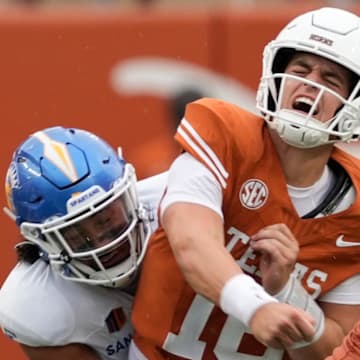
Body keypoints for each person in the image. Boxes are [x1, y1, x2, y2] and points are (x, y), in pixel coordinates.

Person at [129, 7, 360, 360]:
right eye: (299, 70)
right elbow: (191, 242)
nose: (309, 83)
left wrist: (287, 291)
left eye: (330, 79)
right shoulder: (224, 133)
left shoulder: (355, 211)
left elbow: (337, 350)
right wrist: (255, 307)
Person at [0, 126, 167, 360]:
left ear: (128, 196)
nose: (105, 243)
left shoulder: (177, 206)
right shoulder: (36, 305)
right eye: (78, 236)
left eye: (107, 219)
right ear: (42, 241)